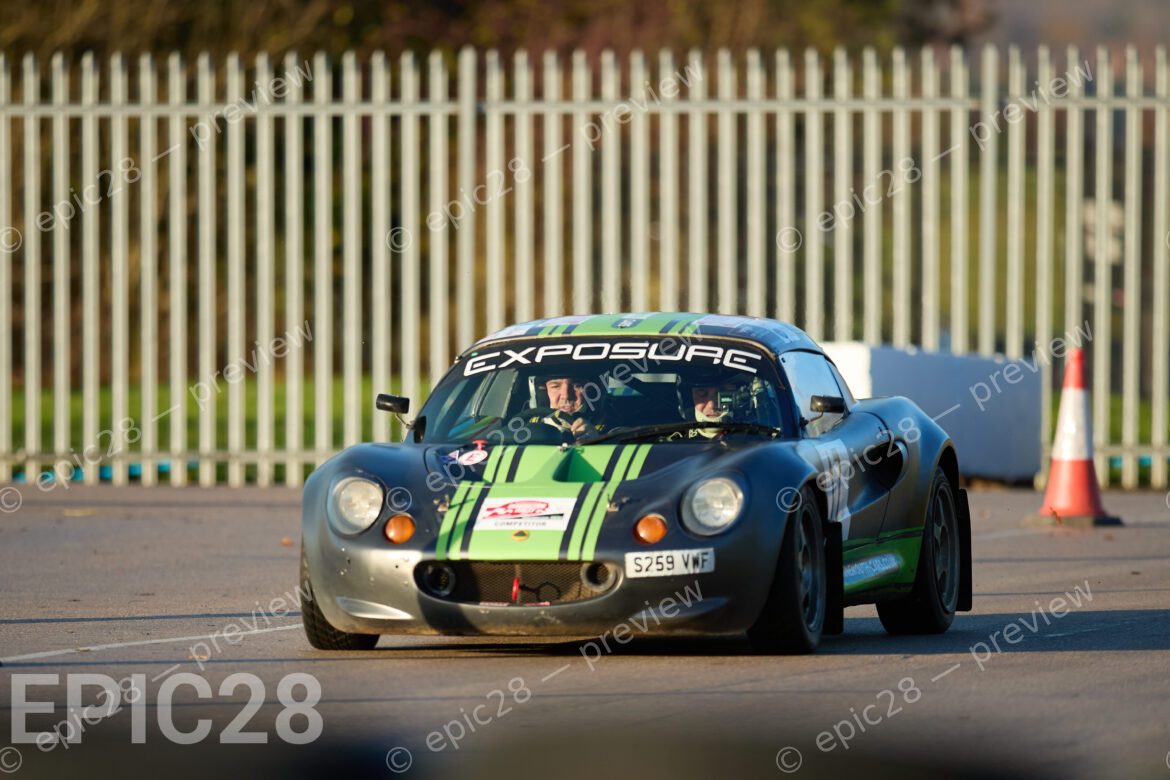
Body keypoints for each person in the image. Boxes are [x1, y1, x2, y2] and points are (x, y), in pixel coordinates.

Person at [520, 372, 608, 441]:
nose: (566, 395)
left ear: (591, 390)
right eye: (555, 386)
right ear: (543, 393)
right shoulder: (528, 427)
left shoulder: (611, 425)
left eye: (577, 385)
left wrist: (597, 441)